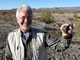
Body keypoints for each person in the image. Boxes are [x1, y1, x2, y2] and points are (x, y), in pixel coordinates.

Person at [5, 4, 76, 60]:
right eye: (23, 17)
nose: (26, 21)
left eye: (29, 17)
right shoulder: (11, 37)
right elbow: (8, 57)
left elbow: (59, 47)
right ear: (17, 19)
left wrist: (66, 37)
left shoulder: (42, 35)